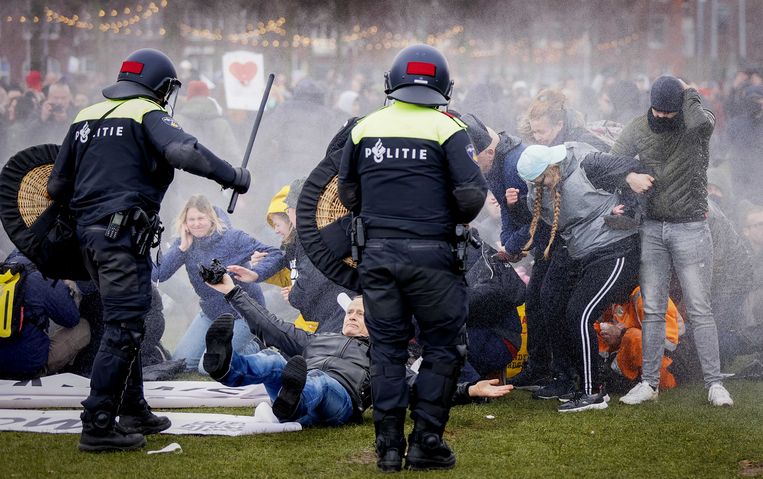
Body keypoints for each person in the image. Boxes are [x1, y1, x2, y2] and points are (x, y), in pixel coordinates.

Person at [46, 48, 252, 452]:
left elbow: (55, 186)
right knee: (124, 327)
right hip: (122, 237)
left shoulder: (85, 116)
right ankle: (99, 422)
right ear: (160, 86)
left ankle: (133, 407)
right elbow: (184, 151)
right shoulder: (145, 112)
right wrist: (233, 176)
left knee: (129, 320)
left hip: (89, 241)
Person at [338, 44, 488, 471]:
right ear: (444, 85)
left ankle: (387, 447)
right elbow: (472, 195)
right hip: (435, 259)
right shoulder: (449, 128)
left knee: (385, 348)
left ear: (392, 83)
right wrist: (441, 220)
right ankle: (426, 442)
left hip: (378, 258)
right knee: (443, 347)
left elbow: (347, 193)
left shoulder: (363, 127)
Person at [202, 275, 513, 427]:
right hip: (296, 395)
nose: (351, 315)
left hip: (340, 403)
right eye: (350, 311)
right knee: (272, 359)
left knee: (319, 383)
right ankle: (227, 366)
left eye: (361, 314)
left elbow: (422, 389)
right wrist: (233, 291)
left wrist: (470, 389)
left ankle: (292, 399)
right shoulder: (318, 339)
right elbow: (270, 326)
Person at [610, 75, 734, 407]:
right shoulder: (637, 127)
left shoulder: (696, 124)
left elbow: (698, 123)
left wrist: (689, 91)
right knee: (652, 309)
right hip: (652, 228)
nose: (662, 116)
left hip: (691, 227)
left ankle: (715, 383)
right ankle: (649, 383)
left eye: (669, 110)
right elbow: (609, 161)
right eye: (657, 109)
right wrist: (628, 176)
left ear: (680, 106)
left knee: (699, 307)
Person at [515, 142, 650, 412]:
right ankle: (569, 380)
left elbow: (633, 168)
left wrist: (628, 202)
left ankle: (593, 392)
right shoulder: (536, 193)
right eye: (532, 183)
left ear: (552, 168)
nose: (537, 187)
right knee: (556, 306)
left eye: (540, 179)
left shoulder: (587, 164)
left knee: (580, 313)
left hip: (615, 248)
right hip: (580, 254)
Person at [153, 195, 283, 372]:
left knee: (206, 368)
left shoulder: (232, 238)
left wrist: (256, 274)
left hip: (245, 313)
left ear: (211, 218)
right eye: (191, 219)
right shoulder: (185, 244)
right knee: (182, 363)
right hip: (211, 313)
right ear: (184, 222)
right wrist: (181, 248)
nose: (196, 223)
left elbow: (275, 254)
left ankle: (257, 347)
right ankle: (227, 347)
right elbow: (159, 274)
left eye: (201, 218)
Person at [0, 251, 90, 379]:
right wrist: (67, 286)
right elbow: (71, 318)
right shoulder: (42, 277)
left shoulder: (4, 272)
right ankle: (63, 371)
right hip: (28, 367)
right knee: (83, 328)